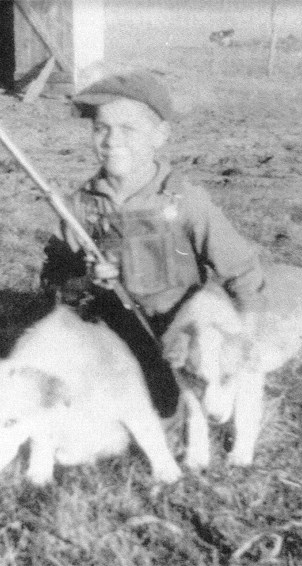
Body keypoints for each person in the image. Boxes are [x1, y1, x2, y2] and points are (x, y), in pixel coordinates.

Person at [40, 70, 265, 413]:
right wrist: (85, 280)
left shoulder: (184, 200)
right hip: (112, 329)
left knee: (168, 411)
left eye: (128, 129)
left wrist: (244, 340)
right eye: (101, 128)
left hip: (181, 337)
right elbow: (56, 282)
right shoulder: (80, 207)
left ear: (160, 135)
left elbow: (243, 273)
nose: (112, 141)